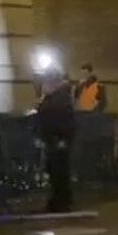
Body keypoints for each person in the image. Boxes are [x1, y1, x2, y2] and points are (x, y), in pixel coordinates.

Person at [35, 67, 77, 213]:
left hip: (58, 140)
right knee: (54, 171)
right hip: (52, 139)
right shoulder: (51, 96)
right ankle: (58, 199)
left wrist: (62, 138)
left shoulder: (61, 97)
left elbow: (64, 120)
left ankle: (62, 201)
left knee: (59, 172)